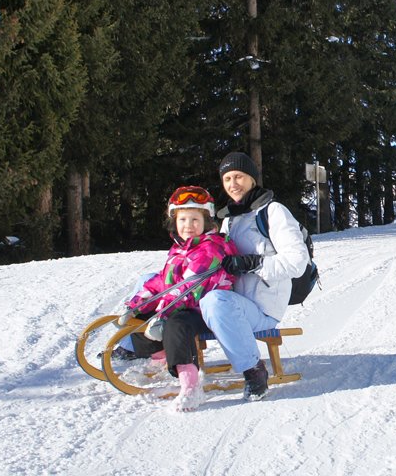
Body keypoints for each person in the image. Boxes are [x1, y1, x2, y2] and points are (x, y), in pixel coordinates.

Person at [163, 151, 311, 402]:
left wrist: (253, 263)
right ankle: (141, 347)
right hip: (229, 305)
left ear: (252, 178)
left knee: (214, 301)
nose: (233, 184)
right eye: (228, 178)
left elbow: (297, 262)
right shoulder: (229, 219)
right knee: (171, 288)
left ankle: (254, 371)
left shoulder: (273, 212)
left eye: (239, 176)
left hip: (262, 309)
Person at [117, 185, 239, 411]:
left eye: (195, 220)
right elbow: (162, 283)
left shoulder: (210, 249)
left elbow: (187, 289)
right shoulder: (179, 250)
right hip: (182, 305)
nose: (188, 226)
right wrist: (136, 305)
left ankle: (191, 386)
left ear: (206, 223)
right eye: (183, 220)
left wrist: (162, 316)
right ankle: (162, 356)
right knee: (144, 317)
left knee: (175, 325)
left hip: (206, 308)